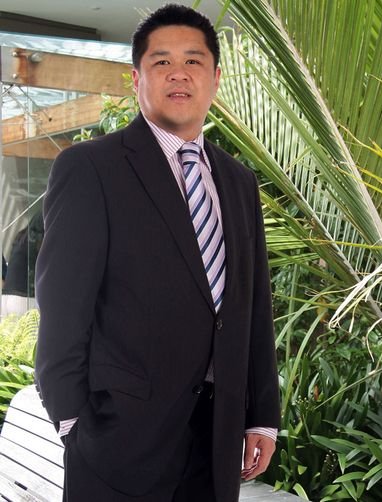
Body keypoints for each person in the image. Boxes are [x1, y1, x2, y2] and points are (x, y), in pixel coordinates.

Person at [34, 5, 280, 502]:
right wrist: (72, 421)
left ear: (215, 78)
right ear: (136, 78)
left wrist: (261, 416)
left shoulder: (238, 181)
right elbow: (62, 307)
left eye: (193, 61)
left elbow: (253, 307)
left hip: (216, 437)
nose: (178, 74)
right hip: (119, 440)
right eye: (161, 62)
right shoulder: (91, 168)